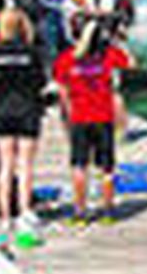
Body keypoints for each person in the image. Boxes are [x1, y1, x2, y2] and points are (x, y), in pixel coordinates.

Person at [55, 21, 132, 224]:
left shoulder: (66, 59)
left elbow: (63, 94)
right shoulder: (108, 55)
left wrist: (66, 118)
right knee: (106, 167)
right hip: (103, 116)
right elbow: (131, 63)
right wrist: (118, 41)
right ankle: (107, 211)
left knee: (79, 165)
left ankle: (80, 212)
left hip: (79, 117)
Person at [0, 7, 46, 249]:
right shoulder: (32, 53)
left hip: (2, 111)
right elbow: (41, 81)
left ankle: (5, 217)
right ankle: (24, 211)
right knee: (25, 165)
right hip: (27, 109)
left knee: (5, 165)